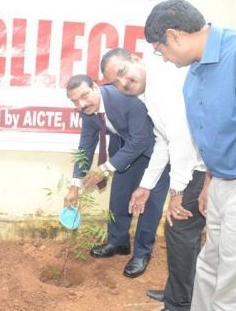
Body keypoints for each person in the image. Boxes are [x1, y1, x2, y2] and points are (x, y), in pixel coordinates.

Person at [145, 0, 236, 311]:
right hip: (221, 186)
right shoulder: (196, 70)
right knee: (209, 273)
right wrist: (209, 183)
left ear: (174, 35)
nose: (160, 57)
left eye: (158, 48)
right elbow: (215, 133)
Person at [102, 47, 208, 311]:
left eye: (124, 73)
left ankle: (179, 304)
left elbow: (183, 140)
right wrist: (145, 186)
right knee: (182, 233)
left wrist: (177, 193)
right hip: (195, 165)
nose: (123, 83)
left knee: (180, 230)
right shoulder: (148, 93)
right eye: (116, 82)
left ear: (136, 60)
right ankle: (179, 293)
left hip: (202, 167)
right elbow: (163, 140)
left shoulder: (162, 85)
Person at [64, 73, 169, 278]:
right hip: (125, 152)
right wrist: (74, 186)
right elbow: (85, 148)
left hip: (155, 151)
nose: (82, 104)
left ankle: (141, 253)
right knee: (119, 196)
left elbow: (140, 140)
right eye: (75, 101)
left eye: (85, 96)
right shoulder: (86, 112)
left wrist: (105, 168)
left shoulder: (126, 99)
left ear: (95, 87)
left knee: (149, 204)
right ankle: (118, 242)